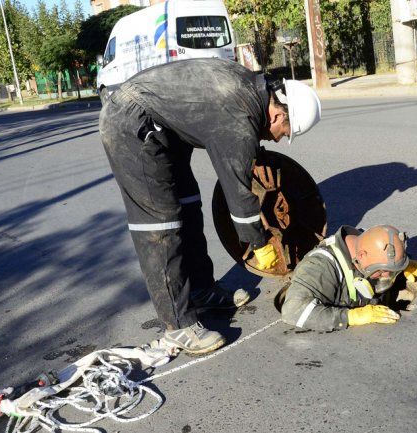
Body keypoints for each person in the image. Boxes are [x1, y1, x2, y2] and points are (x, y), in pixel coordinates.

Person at [99, 58, 322, 355]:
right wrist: (260, 244)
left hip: (164, 127)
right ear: (279, 114)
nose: (279, 139)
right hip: (132, 124)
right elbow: (238, 191)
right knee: (160, 224)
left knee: (188, 204)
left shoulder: (248, 93)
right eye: (285, 133)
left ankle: (201, 289)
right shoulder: (239, 117)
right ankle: (178, 325)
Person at [277, 225, 417, 331]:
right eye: (383, 271)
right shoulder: (319, 268)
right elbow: (292, 312)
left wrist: (403, 266)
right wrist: (351, 317)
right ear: (361, 255)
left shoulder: (366, 245)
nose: (387, 276)